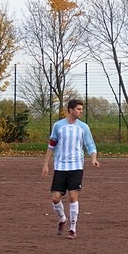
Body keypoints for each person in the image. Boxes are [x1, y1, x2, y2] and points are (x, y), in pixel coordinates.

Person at [42, 99, 99, 239]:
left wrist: (93, 158)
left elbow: (90, 145)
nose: (81, 111)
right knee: (55, 198)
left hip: (76, 166)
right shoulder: (58, 126)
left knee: (73, 196)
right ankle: (62, 219)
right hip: (60, 166)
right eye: (79, 109)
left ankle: (73, 228)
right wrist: (45, 164)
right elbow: (51, 146)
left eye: (81, 109)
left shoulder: (83, 127)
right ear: (71, 110)